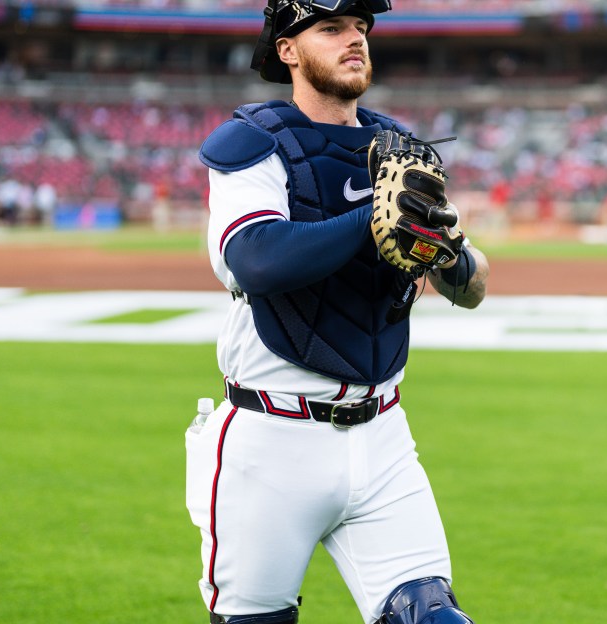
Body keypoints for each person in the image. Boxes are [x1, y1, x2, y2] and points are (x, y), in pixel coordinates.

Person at [188, 2, 490, 623]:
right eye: (331, 28)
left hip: (384, 436)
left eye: (361, 29)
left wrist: (447, 252)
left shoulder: (402, 151)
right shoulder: (255, 143)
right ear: (287, 51)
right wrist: (371, 219)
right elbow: (256, 260)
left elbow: (472, 286)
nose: (355, 39)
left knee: (434, 616)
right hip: (271, 440)